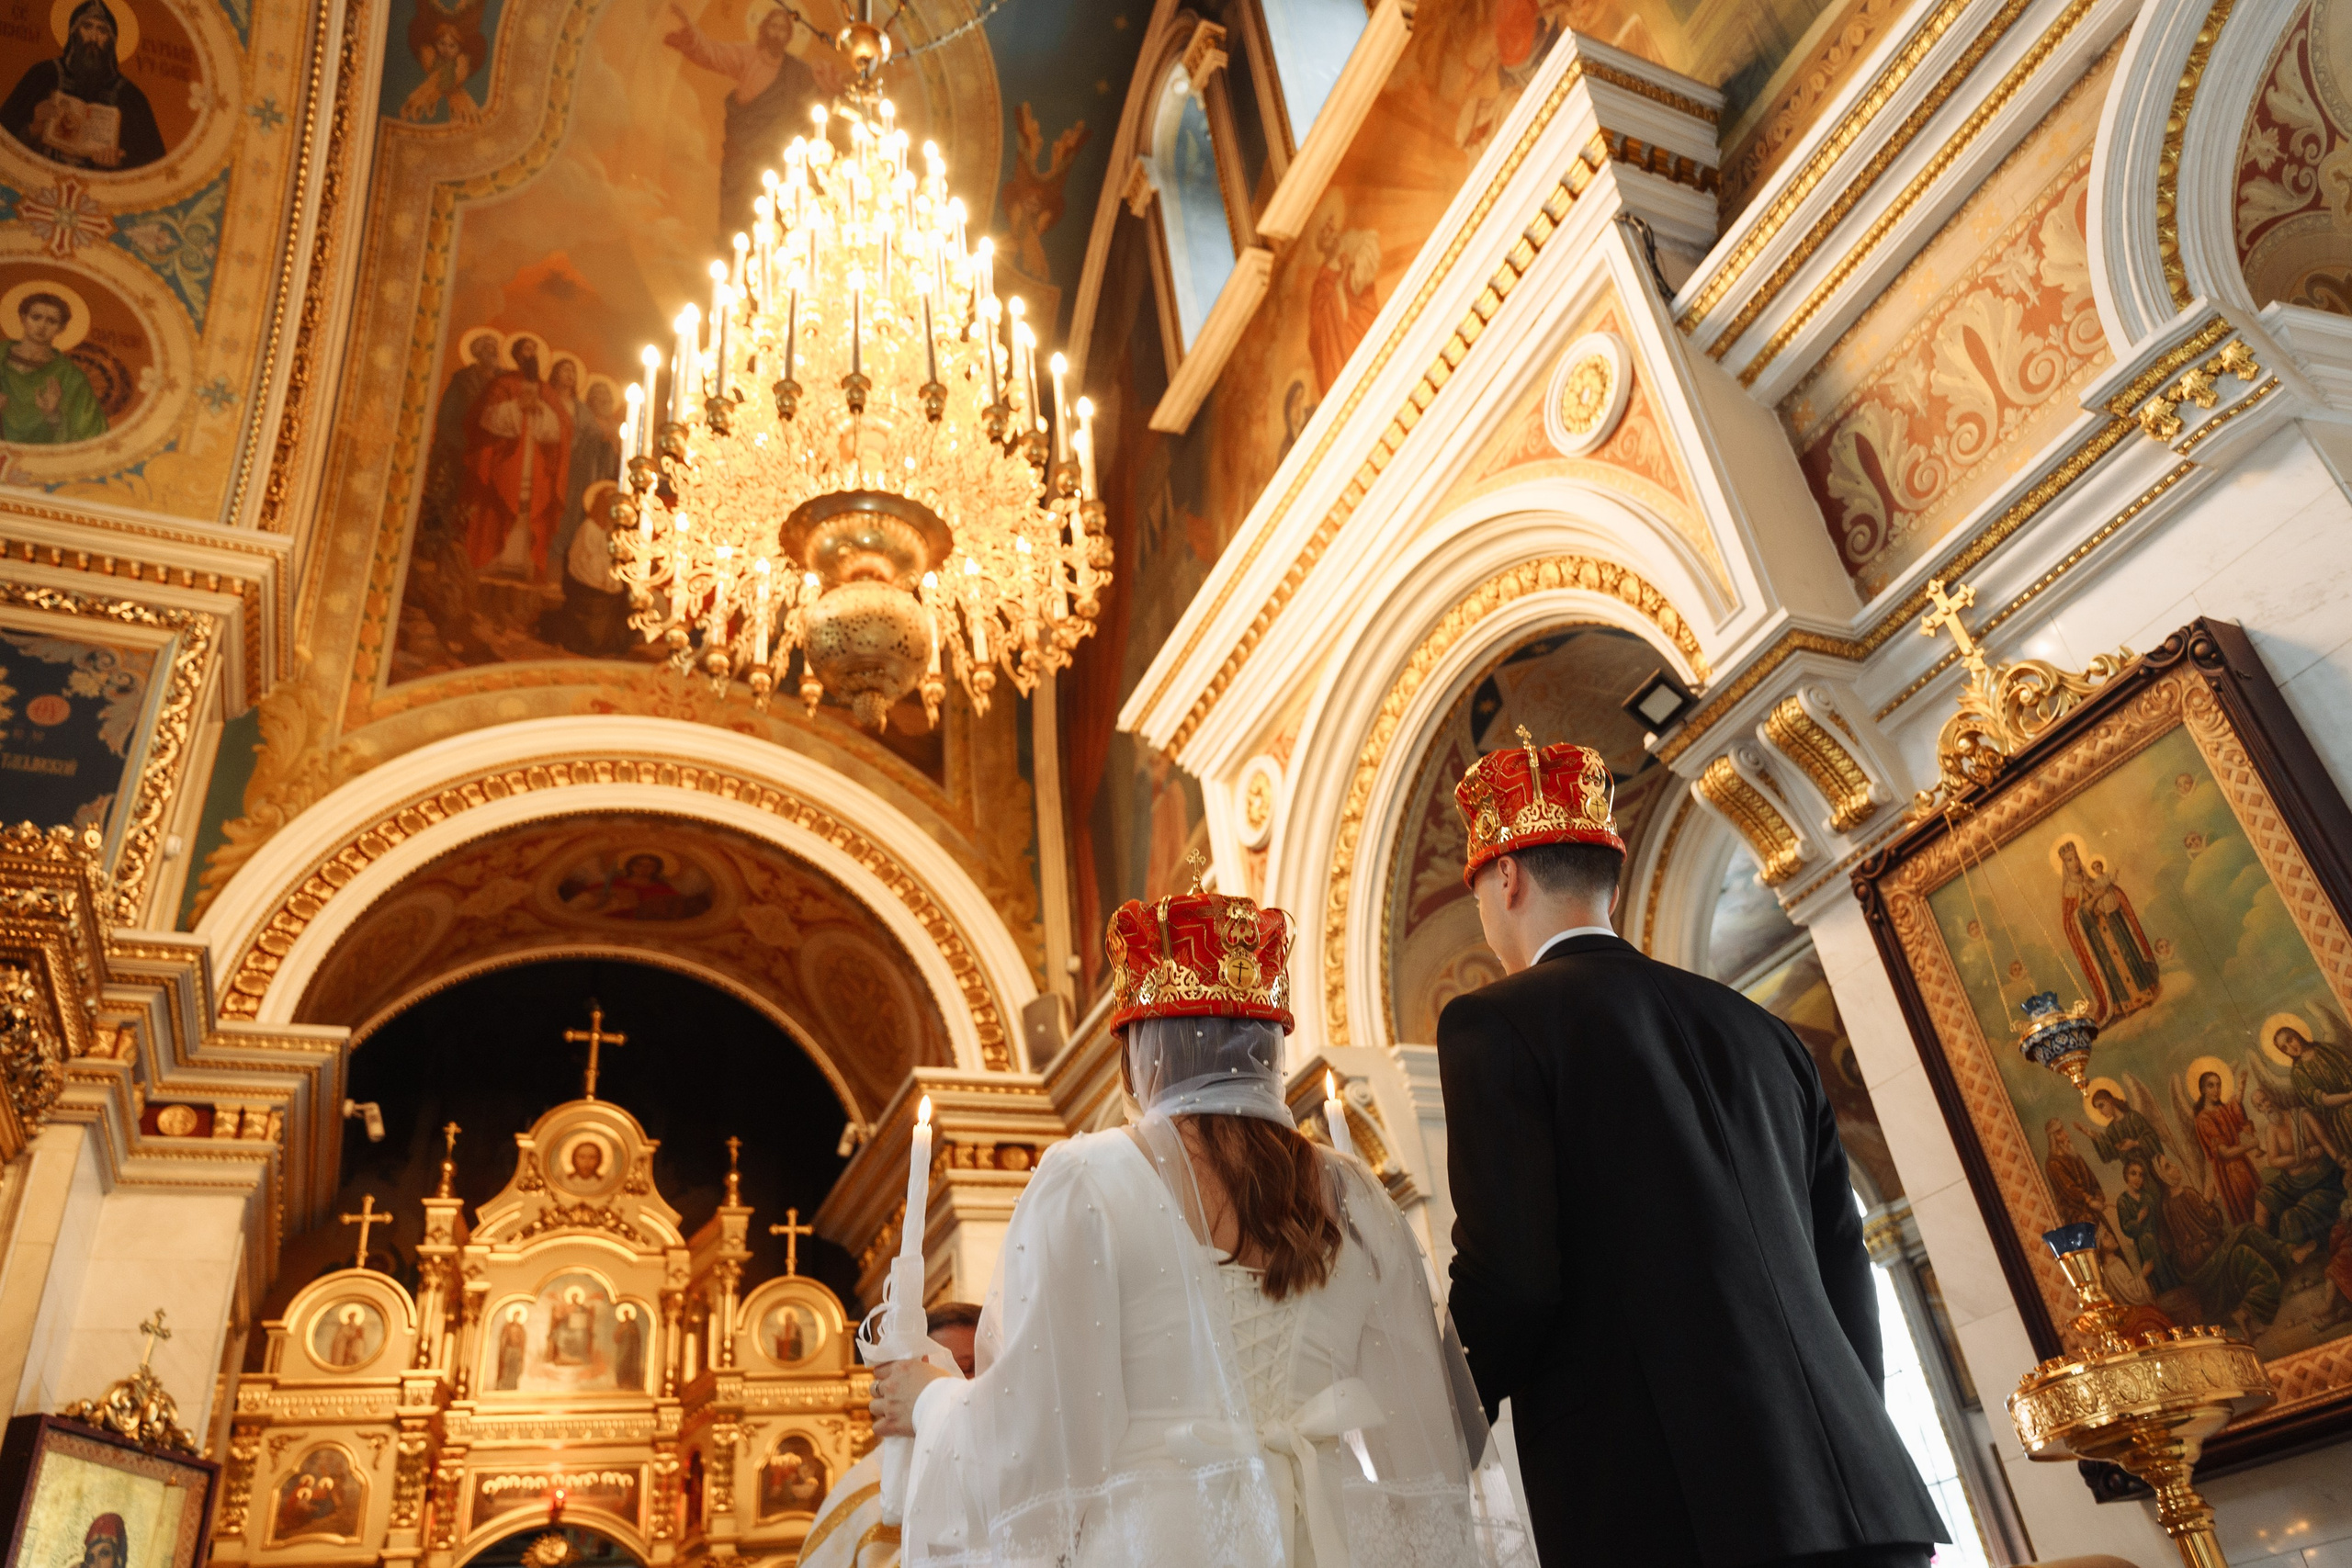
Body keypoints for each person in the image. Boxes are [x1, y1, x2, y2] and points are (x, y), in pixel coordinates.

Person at [873, 885, 1515, 1565]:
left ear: (1138, 1050)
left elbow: (1035, 1447)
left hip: (1161, 1539)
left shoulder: (1088, 1180)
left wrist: (931, 1401)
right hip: (1334, 1537)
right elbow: (1428, 1453)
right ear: (1270, 1046)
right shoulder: (1357, 1195)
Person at [1436, 728, 1944, 1568]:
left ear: (1506, 876)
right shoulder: (1766, 1033)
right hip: (1866, 1503)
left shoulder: (1496, 1023)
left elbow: (1514, 1278)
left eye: (1481, 894)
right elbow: (1844, 1265)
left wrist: (1440, 1426)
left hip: (1673, 1510)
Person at [800, 1303, 983, 1568]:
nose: (968, 1386)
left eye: (986, 1369)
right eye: (957, 1369)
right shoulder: (866, 1490)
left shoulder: (1016, 1465)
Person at [662, 3, 835, 247]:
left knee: (776, 204)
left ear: (789, 36)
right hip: (741, 150)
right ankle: (733, 251)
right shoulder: (746, 56)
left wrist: (834, 81)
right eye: (772, 27)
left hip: (774, 152)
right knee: (736, 207)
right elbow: (714, 53)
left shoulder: (797, 71)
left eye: (782, 30)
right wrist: (693, 34)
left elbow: (821, 93)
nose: (776, 33)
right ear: (764, 30)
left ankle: (770, 253)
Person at [0, 1, 165, 172]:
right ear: (74, 33)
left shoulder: (130, 96)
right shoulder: (43, 74)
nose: (94, 37)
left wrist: (117, 163)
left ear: (112, 41)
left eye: (102, 30)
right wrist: (33, 128)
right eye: (87, 26)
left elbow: (153, 166)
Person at [0, 292, 107, 445]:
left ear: (61, 328)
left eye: (52, 321)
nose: (42, 326)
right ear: (23, 319)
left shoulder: (71, 377)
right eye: (36, 317)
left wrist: (53, 415)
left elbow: (93, 437)